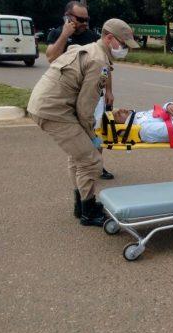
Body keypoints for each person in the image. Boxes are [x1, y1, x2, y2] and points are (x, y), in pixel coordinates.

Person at [28, 19, 139, 227]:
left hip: (49, 105)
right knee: (90, 159)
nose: (125, 50)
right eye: (123, 45)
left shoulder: (89, 49)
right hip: (55, 111)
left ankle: (82, 205)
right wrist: (93, 136)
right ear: (108, 38)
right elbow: (85, 109)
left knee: (78, 157)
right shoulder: (98, 62)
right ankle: (88, 212)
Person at [46, 1, 115, 180]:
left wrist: (108, 91)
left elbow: (105, 66)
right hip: (70, 94)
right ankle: (81, 167)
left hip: (94, 92)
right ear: (68, 17)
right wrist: (65, 34)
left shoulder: (92, 36)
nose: (85, 22)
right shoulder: (56, 33)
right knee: (77, 134)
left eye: (87, 19)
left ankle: (98, 165)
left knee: (96, 130)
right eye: (80, 19)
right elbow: (51, 58)